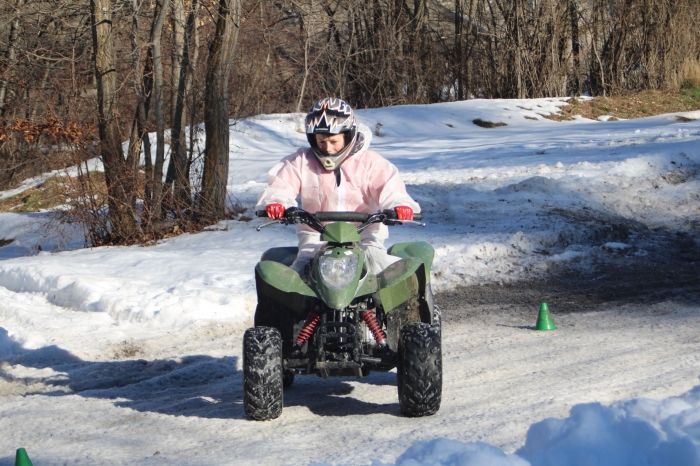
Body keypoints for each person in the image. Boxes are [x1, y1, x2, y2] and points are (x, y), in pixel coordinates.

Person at [255, 97, 420, 276]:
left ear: (348, 135)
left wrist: (400, 206)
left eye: (334, 141)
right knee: (300, 273)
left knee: (381, 268)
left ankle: (404, 303)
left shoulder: (370, 163)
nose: (328, 148)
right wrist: (276, 203)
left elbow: (391, 188)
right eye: (321, 142)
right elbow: (281, 185)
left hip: (364, 236)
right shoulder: (301, 161)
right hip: (316, 237)